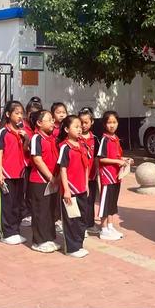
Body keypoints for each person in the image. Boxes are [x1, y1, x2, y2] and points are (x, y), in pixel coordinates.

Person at [0, 100, 30, 245]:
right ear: (8, 114)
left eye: (21, 113)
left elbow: (26, 150)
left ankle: (15, 230)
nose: (20, 116)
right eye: (17, 113)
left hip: (20, 172)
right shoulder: (3, 131)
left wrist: (26, 139)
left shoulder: (22, 131)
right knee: (7, 204)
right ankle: (6, 232)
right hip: (7, 173)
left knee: (17, 203)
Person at [97, 111, 133, 241]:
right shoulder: (105, 140)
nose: (112, 125)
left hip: (116, 177)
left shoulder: (115, 139)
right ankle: (103, 228)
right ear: (104, 124)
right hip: (107, 177)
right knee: (105, 203)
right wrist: (118, 162)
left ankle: (110, 226)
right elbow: (102, 159)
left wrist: (125, 159)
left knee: (112, 203)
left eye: (114, 122)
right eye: (109, 122)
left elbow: (116, 156)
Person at [28, 110, 60, 253]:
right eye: (49, 119)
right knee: (40, 211)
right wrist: (50, 177)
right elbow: (37, 159)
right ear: (39, 123)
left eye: (53, 119)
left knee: (50, 211)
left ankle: (48, 238)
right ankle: (38, 241)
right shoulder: (36, 138)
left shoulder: (52, 138)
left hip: (52, 181)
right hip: (40, 180)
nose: (52, 122)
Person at [57, 115, 89, 258]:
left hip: (82, 188)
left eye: (80, 126)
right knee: (71, 219)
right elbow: (62, 169)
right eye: (75, 126)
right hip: (71, 189)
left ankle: (79, 244)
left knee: (82, 218)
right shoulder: (65, 147)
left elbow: (86, 167)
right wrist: (66, 190)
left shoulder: (82, 145)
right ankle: (71, 248)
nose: (79, 129)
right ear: (66, 129)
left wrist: (87, 184)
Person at [78, 107, 100, 235]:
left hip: (91, 176)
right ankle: (81, 225)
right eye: (81, 122)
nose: (83, 125)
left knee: (90, 200)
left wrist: (97, 172)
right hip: (79, 177)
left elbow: (97, 157)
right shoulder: (76, 138)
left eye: (86, 122)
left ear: (92, 122)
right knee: (81, 201)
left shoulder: (95, 139)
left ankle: (90, 224)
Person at [20, 100, 41, 227]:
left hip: (35, 164)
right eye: (31, 113)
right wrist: (27, 141)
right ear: (27, 113)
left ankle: (31, 211)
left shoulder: (38, 127)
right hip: (24, 163)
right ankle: (24, 213)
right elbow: (24, 147)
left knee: (32, 191)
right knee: (24, 189)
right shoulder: (22, 126)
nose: (33, 116)